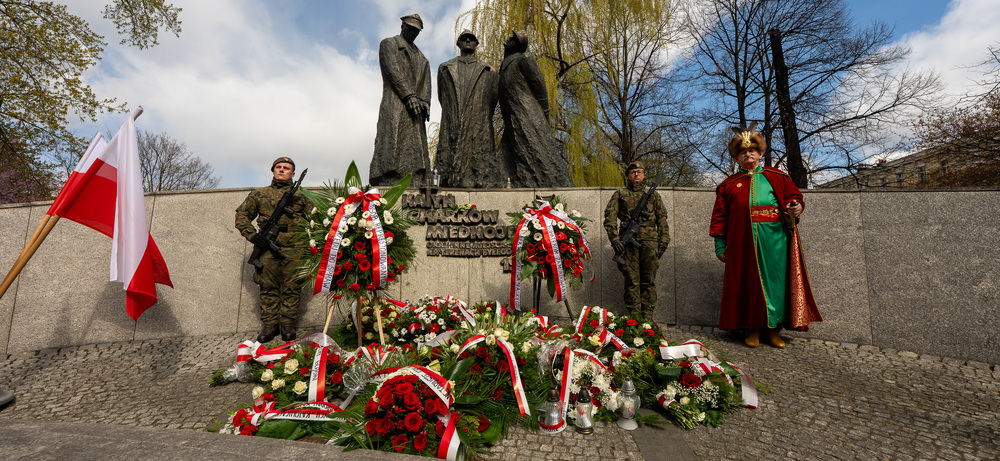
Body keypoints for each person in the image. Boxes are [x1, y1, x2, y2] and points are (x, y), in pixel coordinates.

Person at [710, 126, 822, 348]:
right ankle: (752, 328)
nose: (747, 154)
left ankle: (772, 329)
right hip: (742, 243)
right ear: (736, 158)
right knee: (748, 285)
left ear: (760, 154)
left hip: (776, 242)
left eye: (752, 151)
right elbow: (719, 217)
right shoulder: (728, 186)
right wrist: (720, 246)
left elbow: (794, 197)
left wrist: (797, 207)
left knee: (776, 285)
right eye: (742, 152)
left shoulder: (778, 177)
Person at [235, 157, 309, 343]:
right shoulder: (259, 194)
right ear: (273, 170)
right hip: (268, 248)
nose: (282, 170)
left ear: (293, 173)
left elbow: (316, 218)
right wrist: (252, 235)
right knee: (267, 287)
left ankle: (288, 324)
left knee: (292, 287)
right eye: (278, 167)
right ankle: (270, 325)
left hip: (295, 248)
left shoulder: (301, 196)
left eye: (286, 168)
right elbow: (242, 215)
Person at [498, 30, 574, 188]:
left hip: (527, 115)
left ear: (519, 45)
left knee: (538, 152)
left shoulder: (524, 59)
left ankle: (557, 184)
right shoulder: (504, 66)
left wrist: (545, 112)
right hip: (512, 120)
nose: (510, 38)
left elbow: (540, 87)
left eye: (514, 38)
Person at [436, 29, 505, 188]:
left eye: (471, 39)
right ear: (459, 43)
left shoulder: (489, 71)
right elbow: (443, 97)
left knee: (479, 162)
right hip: (453, 120)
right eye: (464, 38)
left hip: (478, 123)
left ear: (476, 44)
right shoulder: (445, 68)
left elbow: (492, 100)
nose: (467, 41)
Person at [370, 14, 432, 187]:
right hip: (396, 102)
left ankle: (415, 177)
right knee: (393, 142)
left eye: (416, 30)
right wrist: (409, 95)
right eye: (410, 28)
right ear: (402, 26)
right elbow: (393, 70)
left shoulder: (423, 59)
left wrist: (425, 102)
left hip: (416, 109)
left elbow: (426, 83)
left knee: (416, 147)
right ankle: (388, 176)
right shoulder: (389, 44)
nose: (412, 32)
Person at [603, 161, 670, 317]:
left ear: (644, 175)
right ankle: (634, 319)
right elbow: (610, 217)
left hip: (650, 243)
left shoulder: (653, 195)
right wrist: (614, 239)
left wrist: (664, 241)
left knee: (648, 281)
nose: (636, 174)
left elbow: (662, 219)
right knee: (631, 282)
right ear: (628, 176)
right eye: (633, 172)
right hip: (627, 245)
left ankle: (647, 319)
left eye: (639, 172)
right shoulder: (620, 193)